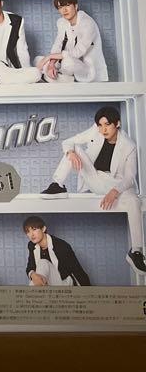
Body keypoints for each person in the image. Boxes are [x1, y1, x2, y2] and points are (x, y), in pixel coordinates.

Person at [40, 107, 146, 274]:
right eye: (100, 125)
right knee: (74, 148)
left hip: (117, 184)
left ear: (117, 124)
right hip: (95, 177)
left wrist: (114, 191)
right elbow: (68, 142)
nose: (103, 129)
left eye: (107, 125)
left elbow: (129, 177)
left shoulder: (129, 145)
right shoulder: (96, 131)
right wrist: (70, 153)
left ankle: (136, 251)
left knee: (134, 201)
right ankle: (58, 184)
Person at [35, 0, 108, 84]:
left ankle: (59, 78)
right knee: (38, 60)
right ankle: (57, 76)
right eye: (60, 7)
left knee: (67, 63)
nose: (64, 10)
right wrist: (51, 64)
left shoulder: (87, 23)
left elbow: (77, 52)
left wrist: (49, 57)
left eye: (67, 5)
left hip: (86, 68)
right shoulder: (61, 22)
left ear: (75, 6)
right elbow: (58, 45)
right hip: (65, 65)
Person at [22, 216, 90, 287]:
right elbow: (30, 267)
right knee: (37, 276)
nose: (31, 234)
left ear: (43, 229)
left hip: (64, 283)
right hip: (47, 283)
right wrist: (33, 275)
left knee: (42, 262)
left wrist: (88, 291)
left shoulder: (61, 246)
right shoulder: (31, 245)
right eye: (28, 231)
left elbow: (77, 271)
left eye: (34, 229)